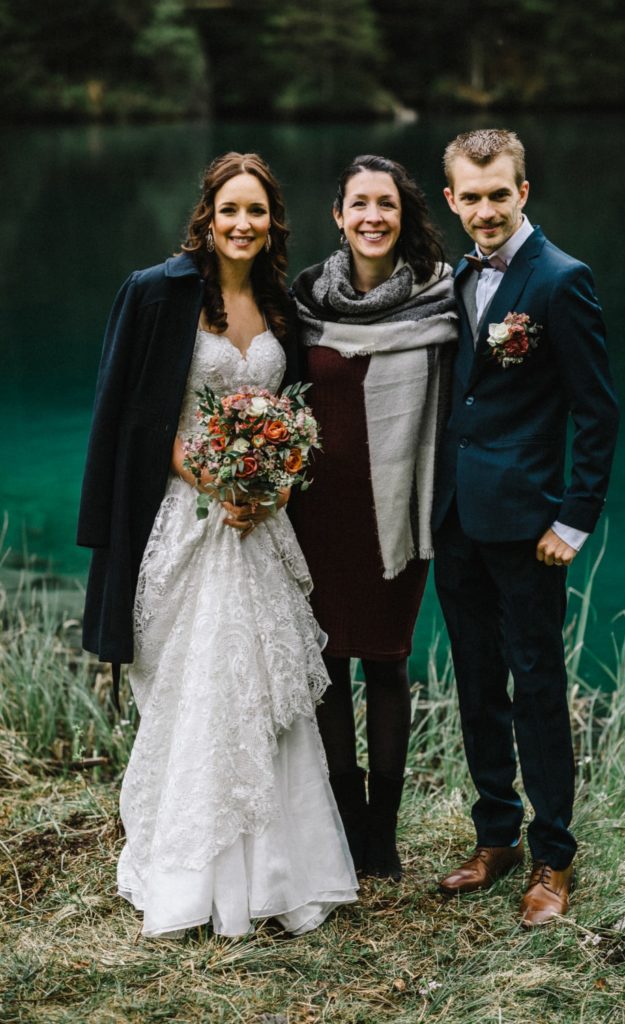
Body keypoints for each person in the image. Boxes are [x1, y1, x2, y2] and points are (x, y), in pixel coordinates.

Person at [77, 152, 358, 938]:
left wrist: (268, 486)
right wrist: (215, 480)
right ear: (206, 215)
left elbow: (291, 413)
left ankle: (277, 873)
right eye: (230, 210)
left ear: (273, 224)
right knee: (191, 686)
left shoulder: (280, 304)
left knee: (261, 690)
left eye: (257, 212)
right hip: (187, 514)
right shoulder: (156, 292)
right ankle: (190, 875)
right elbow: (135, 413)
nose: (243, 224)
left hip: (259, 525)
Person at [433, 129, 619, 925]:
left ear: (523, 192)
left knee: (537, 687)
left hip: (528, 525)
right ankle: (495, 835)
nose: (483, 209)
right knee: (476, 681)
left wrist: (572, 522)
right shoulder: (453, 279)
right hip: (454, 519)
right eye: (469, 197)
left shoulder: (560, 280)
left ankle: (552, 857)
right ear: (450, 199)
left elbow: (597, 412)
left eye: (496, 194)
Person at [291, 155, 458, 881]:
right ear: (338, 214)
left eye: (384, 204)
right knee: (325, 664)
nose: (371, 217)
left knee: (387, 663)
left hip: (397, 509)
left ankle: (381, 838)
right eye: (358, 203)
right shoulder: (303, 299)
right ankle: (345, 821)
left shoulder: (441, 296)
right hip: (316, 513)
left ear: (403, 212)